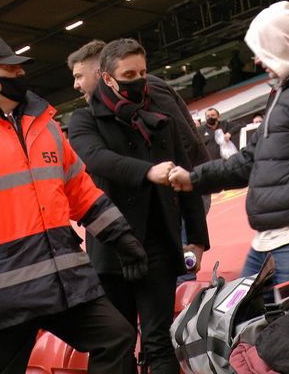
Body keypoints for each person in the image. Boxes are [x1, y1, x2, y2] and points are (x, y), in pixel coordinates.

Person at [0, 36, 144, 374]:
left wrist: (121, 237)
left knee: (117, 338)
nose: (19, 73)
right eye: (9, 68)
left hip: (65, 282)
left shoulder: (46, 127)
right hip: (1, 295)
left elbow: (81, 192)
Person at [169, 1, 289, 291]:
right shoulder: (285, 91)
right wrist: (194, 179)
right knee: (257, 327)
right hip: (272, 241)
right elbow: (252, 159)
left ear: (282, 45)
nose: (258, 62)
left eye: (261, 52)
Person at [67, 38, 209, 374]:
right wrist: (148, 172)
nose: (139, 79)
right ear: (108, 78)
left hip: (159, 242)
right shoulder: (83, 120)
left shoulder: (161, 118)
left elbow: (184, 179)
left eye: (143, 72)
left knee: (159, 341)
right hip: (112, 248)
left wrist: (198, 239)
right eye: (129, 73)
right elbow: (99, 160)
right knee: (119, 342)